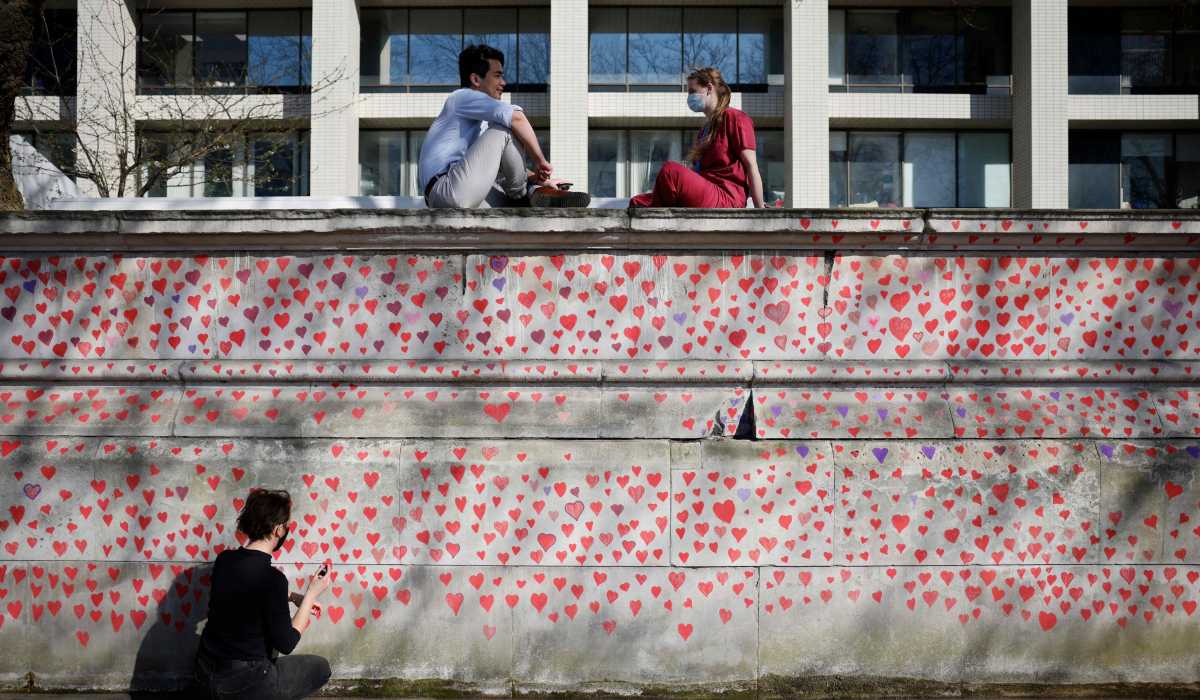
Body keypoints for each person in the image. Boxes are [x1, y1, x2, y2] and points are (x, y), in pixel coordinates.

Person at [189, 488, 333, 699]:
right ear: (277, 530)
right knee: (321, 667)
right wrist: (311, 594)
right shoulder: (273, 579)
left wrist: (293, 597)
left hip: (205, 675)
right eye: (286, 526)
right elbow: (287, 643)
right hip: (246, 682)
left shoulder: (225, 560)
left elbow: (248, 589)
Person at [420, 44, 590, 208]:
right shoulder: (461, 98)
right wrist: (541, 161)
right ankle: (524, 194)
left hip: (459, 193)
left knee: (506, 180)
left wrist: (538, 179)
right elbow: (517, 119)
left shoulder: (480, 124)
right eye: (497, 75)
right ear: (476, 79)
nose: (503, 82)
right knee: (505, 129)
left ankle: (538, 193)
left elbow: (507, 164)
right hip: (448, 189)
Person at [629, 67, 765, 208]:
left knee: (670, 172)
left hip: (726, 196)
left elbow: (751, 166)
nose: (689, 97)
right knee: (638, 202)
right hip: (706, 192)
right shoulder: (704, 131)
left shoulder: (735, 118)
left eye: (692, 91)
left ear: (709, 88)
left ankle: (661, 223)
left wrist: (760, 209)